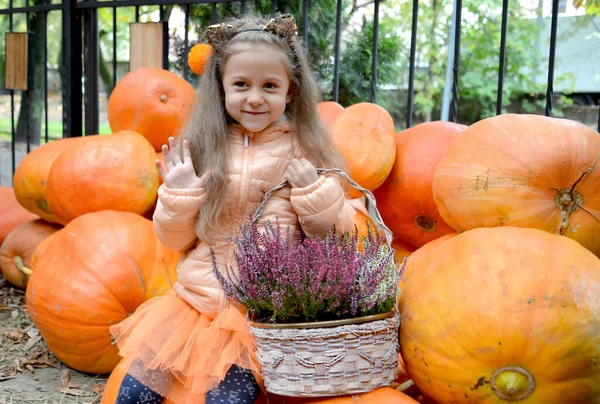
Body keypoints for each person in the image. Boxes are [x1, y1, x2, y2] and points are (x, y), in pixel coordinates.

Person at [110, 13, 359, 404]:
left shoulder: (306, 150)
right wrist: (179, 196)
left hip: (256, 313)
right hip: (193, 304)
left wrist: (314, 192)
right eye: (241, 84)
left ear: (290, 92)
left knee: (229, 399)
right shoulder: (205, 147)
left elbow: (337, 240)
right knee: (132, 395)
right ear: (221, 88)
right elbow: (175, 240)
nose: (255, 97)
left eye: (270, 86)